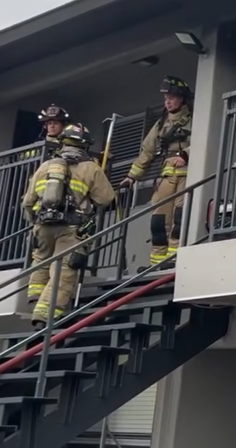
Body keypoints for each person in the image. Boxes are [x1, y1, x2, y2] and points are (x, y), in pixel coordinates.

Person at [22, 123, 115, 326]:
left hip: (42, 223)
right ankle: (44, 316)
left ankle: (35, 298)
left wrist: (34, 221)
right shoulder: (91, 167)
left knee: (41, 260)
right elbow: (106, 199)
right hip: (71, 227)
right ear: (84, 145)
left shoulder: (46, 166)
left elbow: (27, 201)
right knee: (64, 269)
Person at [119, 76, 193, 267]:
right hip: (166, 179)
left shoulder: (195, 118)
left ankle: (175, 260)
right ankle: (156, 264)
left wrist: (185, 155)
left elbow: (205, 138)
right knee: (159, 222)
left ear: (182, 99)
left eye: (172, 97)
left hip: (187, 177)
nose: (168, 101)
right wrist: (131, 177)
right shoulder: (161, 123)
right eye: (166, 97)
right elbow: (147, 151)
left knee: (179, 220)